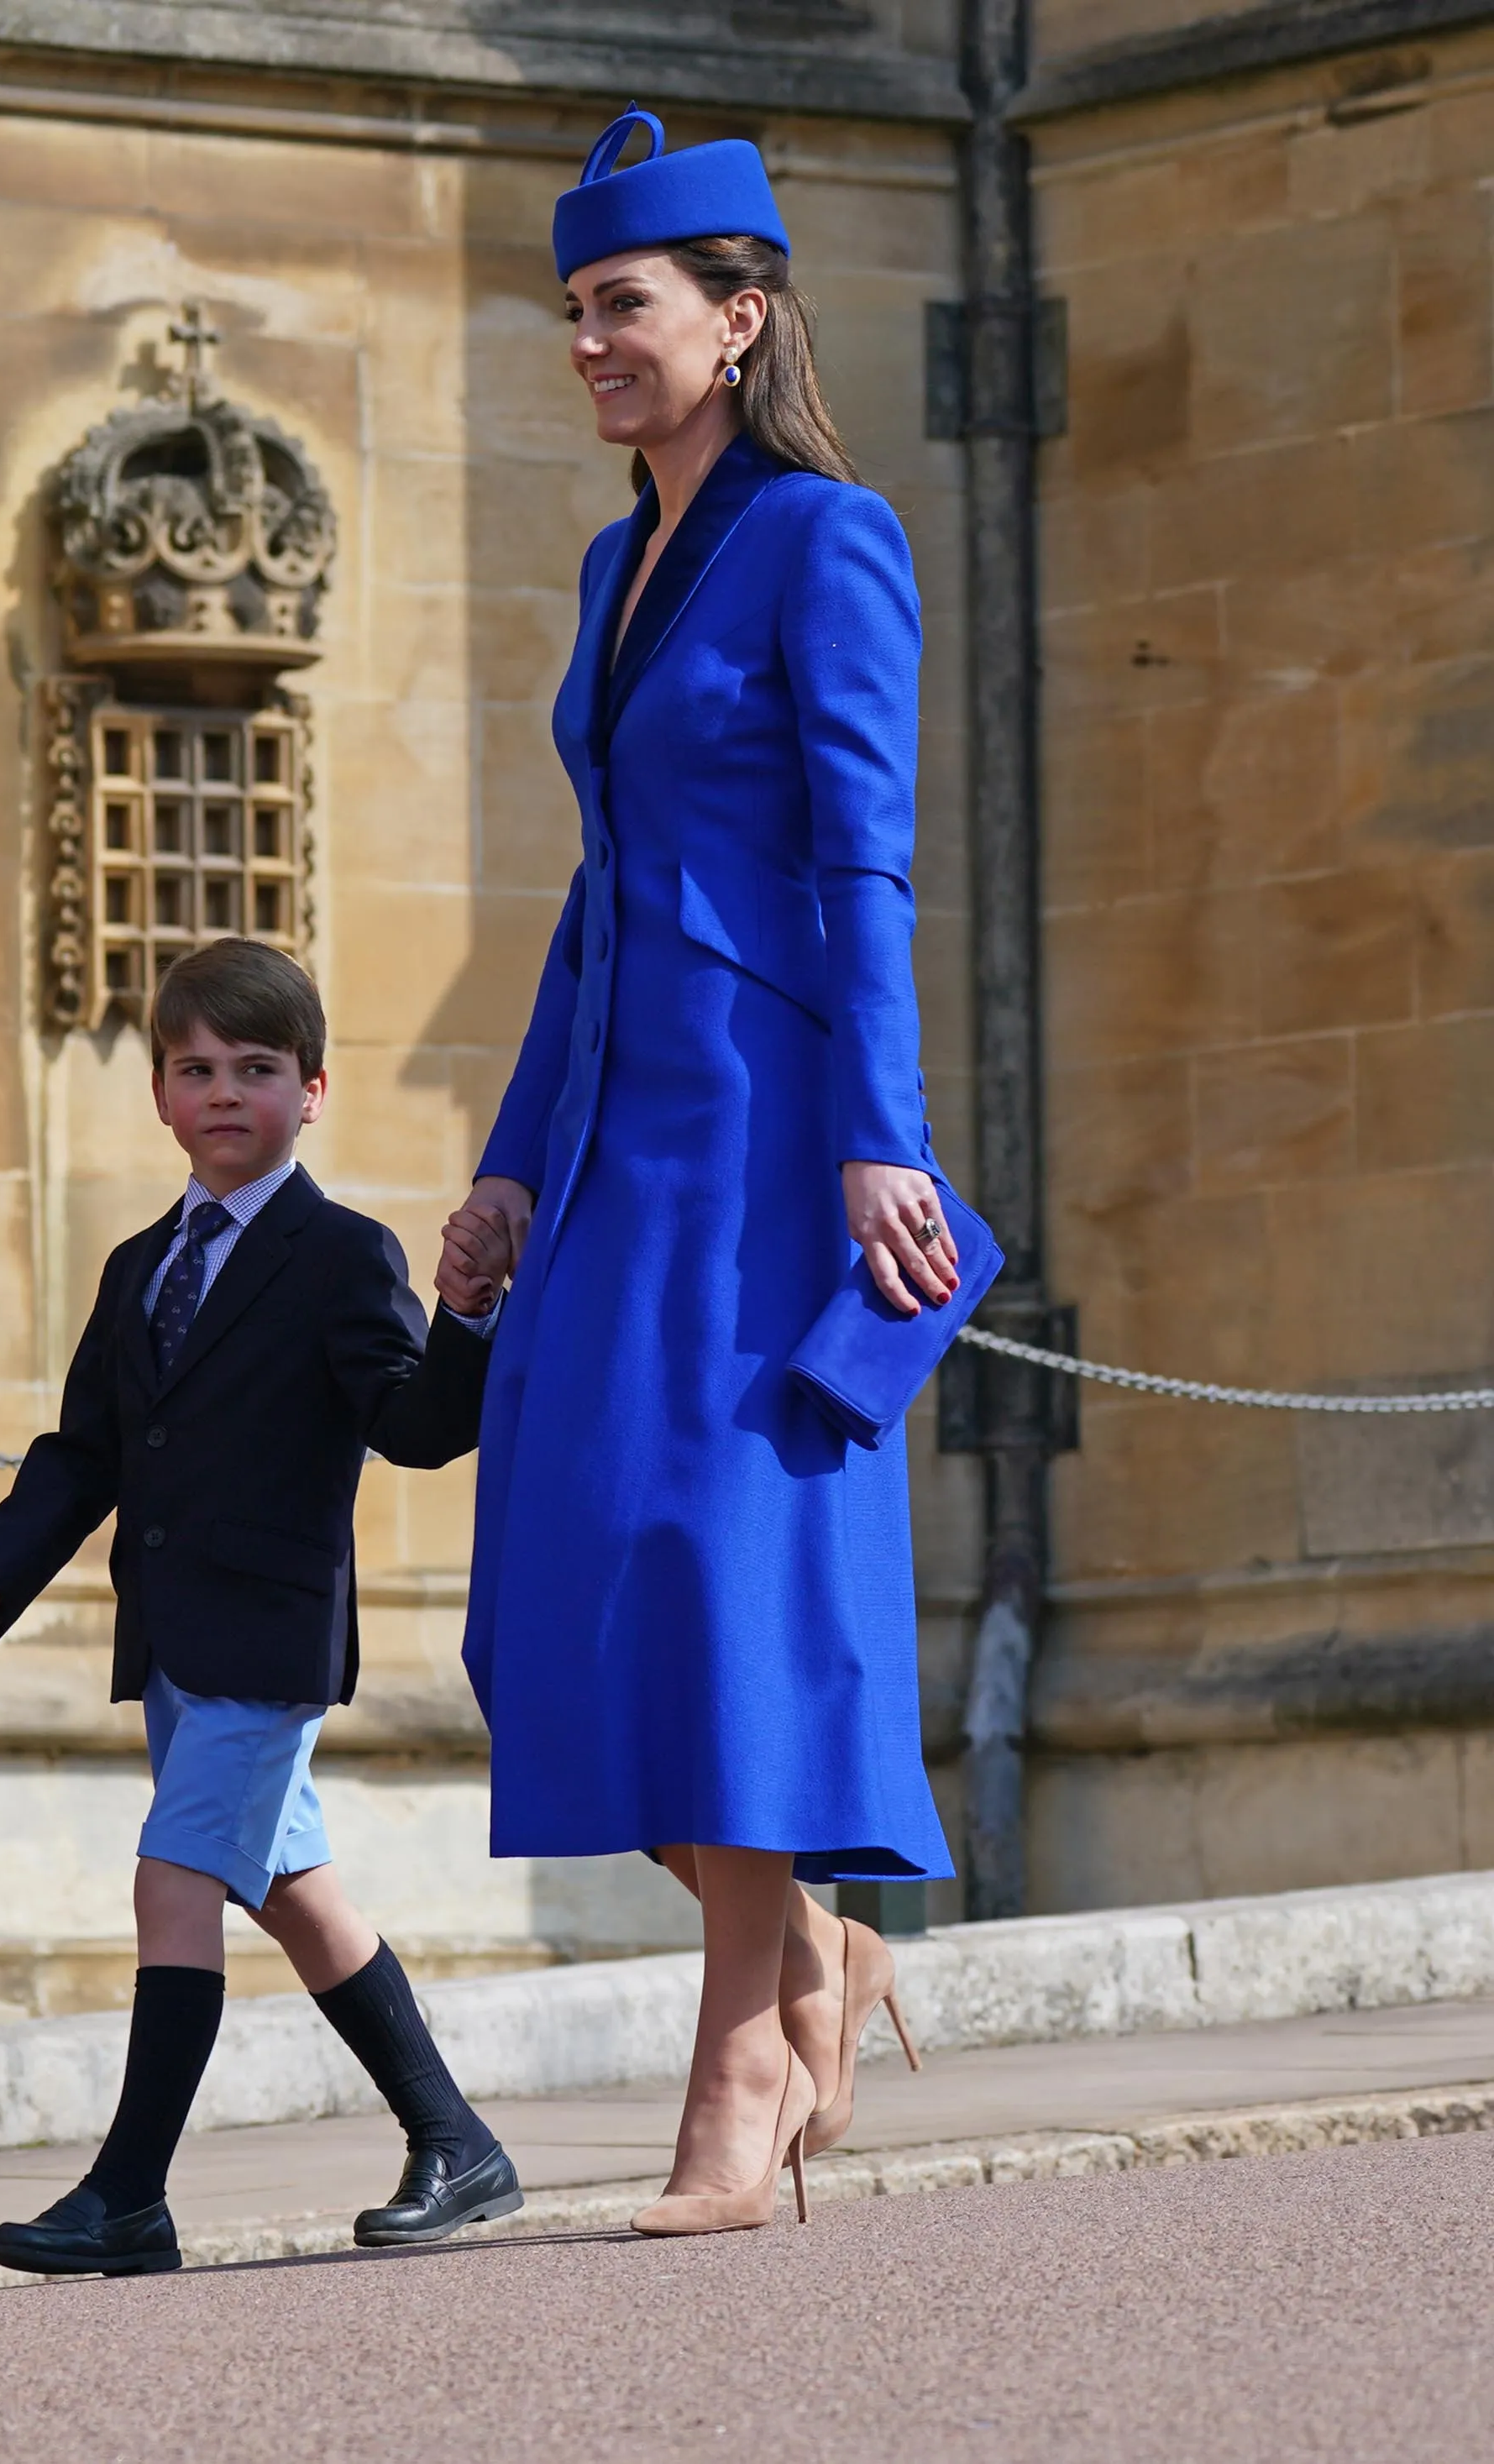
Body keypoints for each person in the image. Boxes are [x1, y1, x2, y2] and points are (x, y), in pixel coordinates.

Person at [438, 108, 952, 2242]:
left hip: (765, 1133)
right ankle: (824, 1942)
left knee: (717, 1581)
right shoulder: (606, 564)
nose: (588, 343)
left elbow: (863, 863)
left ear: (735, 322)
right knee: (549, 1592)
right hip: (609, 1140)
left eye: (621, 306)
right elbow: (596, 896)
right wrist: (500, 1168)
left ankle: (737, 2055)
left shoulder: (823, 539)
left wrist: (878, 1136)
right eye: (570, 311)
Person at [0, 937, 511, 2278]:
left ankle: (128, 2193)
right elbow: (83, 1452)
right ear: (157, 1092)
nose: (225, 1093)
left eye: (257, 1069)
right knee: (297, 1892)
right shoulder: (141, 1264)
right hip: (174, 1646)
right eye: (196, 1069)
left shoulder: (340, 1253)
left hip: (269, 1643)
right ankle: (457, 2140)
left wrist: (468, 1314)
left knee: (172, 1879)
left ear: (313, 1091)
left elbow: (417, 1427)